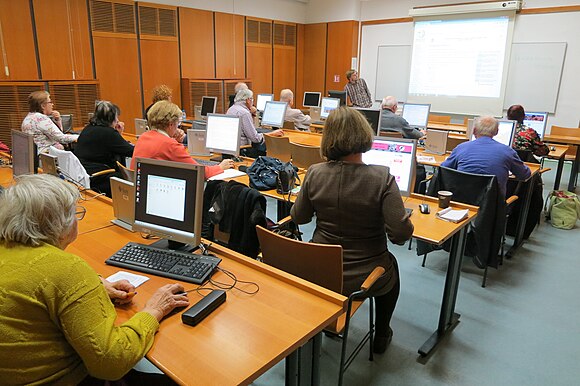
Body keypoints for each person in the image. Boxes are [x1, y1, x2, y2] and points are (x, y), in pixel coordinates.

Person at [0, 174, 190, 384]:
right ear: (60, 224)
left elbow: (38, 282)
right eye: (75, 213)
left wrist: (95, 284)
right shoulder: (67, 269)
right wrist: (154, 309)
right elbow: (110, 363)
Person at [290, 106, 414, 354]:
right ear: (364, 135)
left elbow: (299, 218)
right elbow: (400, 235)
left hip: (319, 269)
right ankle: (381, 334)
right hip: (364, 277)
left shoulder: (314, 173)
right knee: (392, 266)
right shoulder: (382, 177)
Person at [131, 100, 233, 177]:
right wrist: (220, 167)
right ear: (170, 124)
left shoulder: (144, 137)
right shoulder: (169, 145)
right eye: (178, 123)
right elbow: (200, 172)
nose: (178, 127)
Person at [442, 116, 531, 196]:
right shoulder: (508, 151)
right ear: (496, 132)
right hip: (493, 207)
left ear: (473, 131)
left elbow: (444, 169)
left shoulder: (461, 148)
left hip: (462, 202)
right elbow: (525, 175)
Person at [73, 101, 134, 196]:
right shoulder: (109, 133)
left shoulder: (88, 129)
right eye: (117, 117)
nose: (118, 120)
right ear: (112, 118)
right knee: (130, 180)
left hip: (82, 174)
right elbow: (131, 151)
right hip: (99, 178)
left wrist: (117, 134)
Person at [226, 88, 283, 157]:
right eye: (252, 99)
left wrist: (252, 115)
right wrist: (272, 134)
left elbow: (247, 130)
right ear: (248, 100)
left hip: (231, 149)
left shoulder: (232, 109)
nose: (253, 102)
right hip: (242, 151)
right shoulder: (244, 113)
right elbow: (255, 138)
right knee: (268, 154)